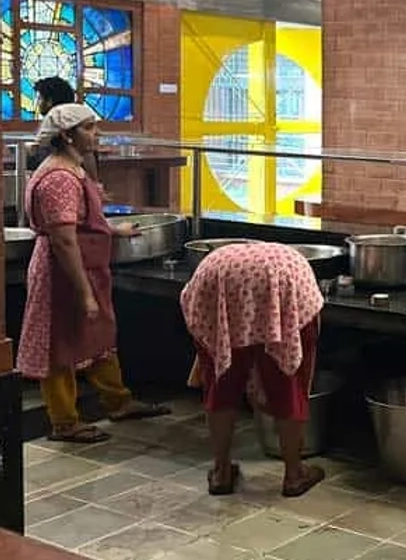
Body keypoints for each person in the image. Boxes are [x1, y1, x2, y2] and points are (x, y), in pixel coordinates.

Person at [18, 104, 169, 443]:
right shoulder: (59, 178)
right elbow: (64, 239)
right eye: (88, 128)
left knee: (98, 335)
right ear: (67, 136)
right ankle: (64, 422)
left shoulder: (73, 170)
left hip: (85, 268)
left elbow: (79, 221)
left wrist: (113, 230)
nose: (96, 134)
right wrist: (84, 292)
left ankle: (118, 401)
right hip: (63, 274)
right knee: (60, 344)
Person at [180, 242, 326, 498]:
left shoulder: (214, 266)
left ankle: (221, 472)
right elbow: (299, 354)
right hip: (281, 282)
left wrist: (217, 357)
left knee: (221, 383)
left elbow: (206, 335)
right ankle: (294, 474)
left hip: (214, 279)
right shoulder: (298, 274)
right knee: (287, 383)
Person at [27, 77, 95, 177]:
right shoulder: (74, 122)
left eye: (40, 98)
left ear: (49, 101)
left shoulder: (56, 130)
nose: (38, 103)